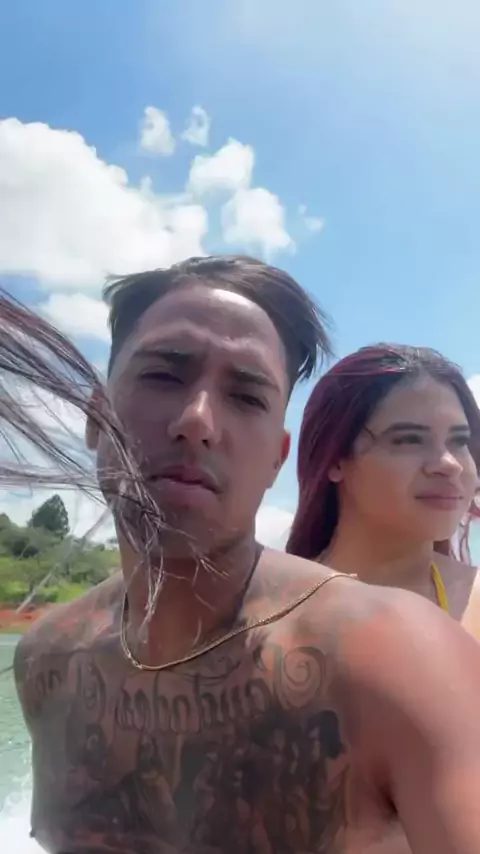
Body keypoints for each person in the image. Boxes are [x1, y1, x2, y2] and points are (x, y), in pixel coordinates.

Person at [10, 258, 480, 854]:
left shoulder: (399, 660)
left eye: (247, 397)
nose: (197, 422)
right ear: (95, 417)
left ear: (278, 458)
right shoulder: (46, 660)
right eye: (163, 375)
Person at [287, 344, 480, 642]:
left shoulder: (473, 595)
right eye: (408, 440)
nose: (449, 464)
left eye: (459, 441)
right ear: (335, 458)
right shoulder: (271, 613)